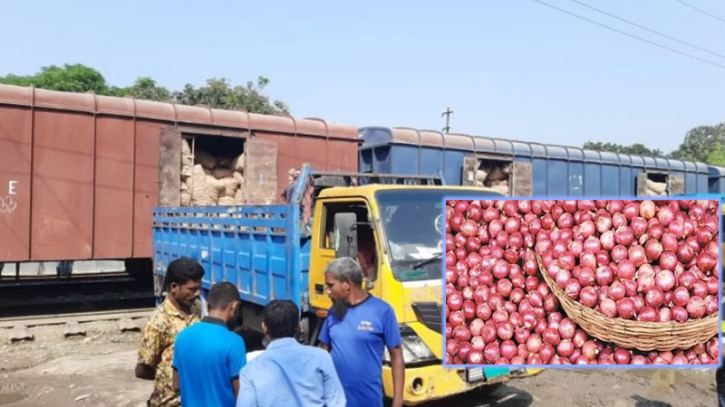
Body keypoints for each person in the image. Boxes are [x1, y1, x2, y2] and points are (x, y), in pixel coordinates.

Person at [318, 257, 405, 407]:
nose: (327, 291)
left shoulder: (382, 311)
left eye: (331, 285)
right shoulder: (333, 312)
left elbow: (396, 355)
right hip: (334, 402)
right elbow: (322, 351)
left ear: (347, 283)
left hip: (368, 401)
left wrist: (398, 400)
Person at [236, 299, 346, 407]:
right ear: (298, 326)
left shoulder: (250, 369)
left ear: (264, 327)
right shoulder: (322, 357)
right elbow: (337, 402)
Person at [136, 257, 204, 407]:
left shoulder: (196, 307)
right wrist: (170, 376)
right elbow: (142, 369)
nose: (197, 293)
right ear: (174, 287)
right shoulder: (158, 321)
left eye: (198, 288)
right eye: (192, 289)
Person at [172, 282, 247, 407]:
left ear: (207, 305)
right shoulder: (234, 342)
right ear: (234, 306)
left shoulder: (182, 336)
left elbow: (176, 385)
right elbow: (241, 394)